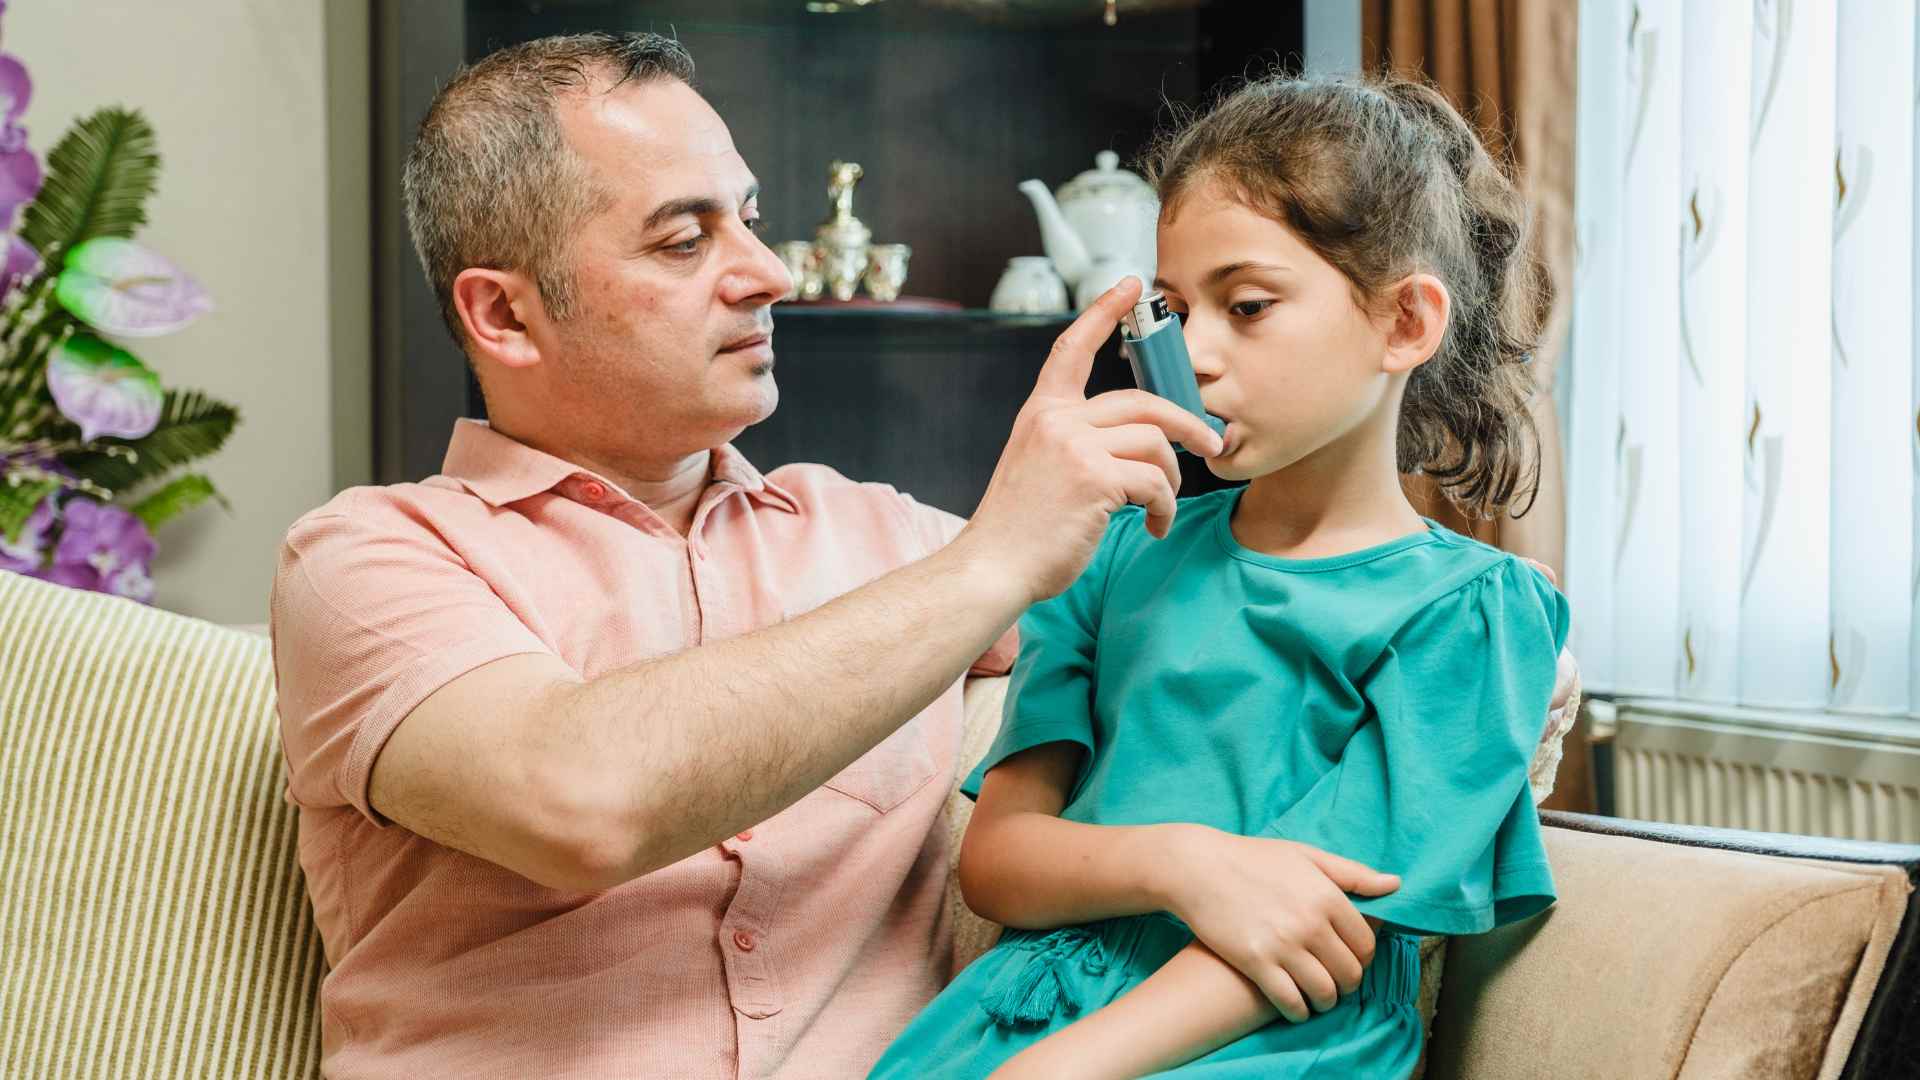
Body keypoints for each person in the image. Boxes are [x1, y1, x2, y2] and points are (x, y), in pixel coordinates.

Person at [268, 32, 1577, 1079]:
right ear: (501, 314)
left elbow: (1232, 629)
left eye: (752, 218)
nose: (769, 271)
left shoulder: (884, 538)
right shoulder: (373, 563)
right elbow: (582, 801)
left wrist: (1515, 671)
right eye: (686, 238)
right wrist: (996, 562)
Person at [873, 71, 1568, 1079]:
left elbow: (1320, 924)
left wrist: (1056, 1071)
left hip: (1259, 1038)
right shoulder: (1115, 554)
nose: (1186, 352)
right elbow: (999, 863)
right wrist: (1183, 859)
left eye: (1246, 306)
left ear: (1405, 323)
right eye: (1170, 308)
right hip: (1022, 1016)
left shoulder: (1472, 617)